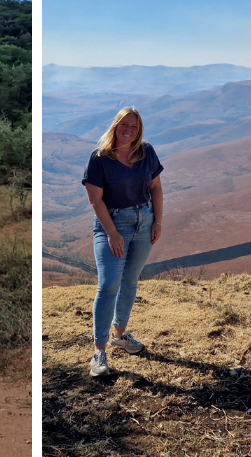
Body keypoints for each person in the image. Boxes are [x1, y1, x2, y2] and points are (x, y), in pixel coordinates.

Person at [81, 106, 164, 377]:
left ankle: (120, 334)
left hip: (144, 221)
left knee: (130, 281)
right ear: (115, 125)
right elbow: (95, 199)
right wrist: (112, 233)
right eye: (124, 125)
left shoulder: (146, 152)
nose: (129, 131)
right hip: (112, 224)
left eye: (134, 127)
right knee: (108, 285)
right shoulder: (99, 158)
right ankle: (98, 351)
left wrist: (157, 221)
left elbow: (156, 188)